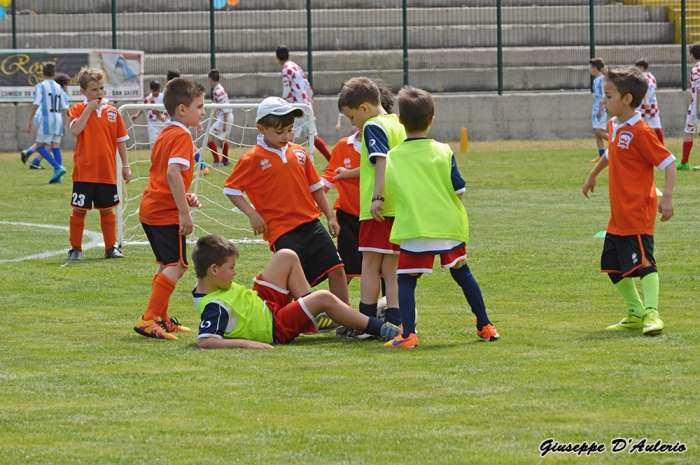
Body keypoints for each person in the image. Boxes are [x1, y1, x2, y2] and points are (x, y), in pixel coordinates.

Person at [383, 86, 499, 348]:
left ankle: (408, 335)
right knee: (462, 273)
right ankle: (486, 326)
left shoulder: (394, 156)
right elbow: (459, 189)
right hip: (448, 226)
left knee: (405, 280)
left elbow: (392, 190)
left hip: (414, 227)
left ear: (400, 120)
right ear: (432, 119)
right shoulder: (444, 151)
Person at [223, 97, 349, 306]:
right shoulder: (252, 158)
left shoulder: (299, 153)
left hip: (311, 224)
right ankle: (285, 322)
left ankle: (347, 322)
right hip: (281, 229)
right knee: (291, 281)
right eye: (279, 132)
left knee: (337, 269)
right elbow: (231, 189)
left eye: (289, 130)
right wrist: (252, 214)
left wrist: (330, 217)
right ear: (261, 128)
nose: (286, 136)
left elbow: (316, 187)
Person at [582, 67, 676, 336]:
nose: (604, 101)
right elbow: (611, 153)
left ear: (627, 100)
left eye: (609, 96)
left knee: (644, 262)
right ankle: (635, 312)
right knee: (612, 265)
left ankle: (652, 312)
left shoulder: (642, 131)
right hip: (618, 213)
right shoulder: (614, 125)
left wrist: (666, 197)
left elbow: (669, 163)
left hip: (638, 210)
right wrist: (593, 174)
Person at [191, 234, 400, 348]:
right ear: (214, 270)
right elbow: (206, 340)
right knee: (324, 297)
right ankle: (382, 329)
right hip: (274, 326)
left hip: (262, 303)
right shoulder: (213, 307)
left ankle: (309, 315)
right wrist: (248, 344)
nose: (235, 273)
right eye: (231, 267)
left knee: (287, 255)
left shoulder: (210, 285)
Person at [133, 78, 205, 340]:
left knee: (166, 264)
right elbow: (173, 172)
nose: (204, 111)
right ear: (183, 109)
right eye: (200, 106)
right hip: (164, 212)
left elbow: (167, 177)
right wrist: (184, 213)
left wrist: (185, 198)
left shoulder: (165, 132)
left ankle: (161, 319)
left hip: (151, 208)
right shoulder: (182, 135)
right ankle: (149, 319)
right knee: (178, 264)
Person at [337, 77, 406, 327]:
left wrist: (377, 198)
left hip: (379, 209)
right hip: (399, 206)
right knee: (391, 268)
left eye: (352, 117)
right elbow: (382, 163)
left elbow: (380, 162)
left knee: (369, 264)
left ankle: (365, 323)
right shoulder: (398, 123)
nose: (353, 124)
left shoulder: (372, 126)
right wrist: (349, 174)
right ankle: (395, 320)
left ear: (364, 109)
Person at [67, 66, 131, 260]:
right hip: (84, 171)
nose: (99, 93)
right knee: (79, 210)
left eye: (101, 88)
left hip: (106, 171)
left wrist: (126, 166)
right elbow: (75, 130)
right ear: (83, 92)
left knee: (107, 210)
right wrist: (88, 110)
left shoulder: (113, 113)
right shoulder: (78, 109)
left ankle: (110, 248)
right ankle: (76, 249)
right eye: (94, 89)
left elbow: (121, 141)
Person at [275, 45, 332, 161]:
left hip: (297, 106)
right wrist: (310, 102)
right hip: (305, 104)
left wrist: (280, 101)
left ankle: (284, 160)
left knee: (294, 134)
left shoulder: (286, 69)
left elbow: (287, 89)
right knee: (300, 135)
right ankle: (285, 160)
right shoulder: (295, 66)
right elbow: (307, 85)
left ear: (277, 57)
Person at [322, 125, 362, 282]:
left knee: (384, 269)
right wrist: (313, 199)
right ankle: (338, 306)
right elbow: (328, 177)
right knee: (347, 269)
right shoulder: (343, 145)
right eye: (350, 117)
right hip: (349, 216)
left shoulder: (385, 143)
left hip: (379, 216)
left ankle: (391, 306)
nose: (353, 121)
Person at [22, 63, 69, 183]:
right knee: (55, 147)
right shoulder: (59, 88)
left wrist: (29, 120)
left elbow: (36, 104)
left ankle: (58, 168)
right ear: (55, 74)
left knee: (39, 146)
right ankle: (58, 178)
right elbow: (64, 107)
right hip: (58, 119)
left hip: (47, 119)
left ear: (42, 74)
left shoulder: (40, 86)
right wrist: (64, 124)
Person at [206, 69, 233, 167]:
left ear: (210, 80)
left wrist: (225, 123)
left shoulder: (217, 91)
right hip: (225, 117)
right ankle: (225, 161)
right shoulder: (220, 88)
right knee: (222, 139)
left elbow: (225, 107)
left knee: (209, 137)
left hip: (224, 118)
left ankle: (217, 162)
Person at [679, 44, 700, 170]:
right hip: (696, 105)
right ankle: (684, 161)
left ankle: (684, 162)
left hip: (695, 106)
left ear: (692, 55)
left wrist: (698, 107)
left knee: (688, 131)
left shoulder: (696, 69)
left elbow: (699, 88)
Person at [634, 58, 664, 144]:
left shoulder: (640, 77)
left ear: (641, 67)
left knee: (638, 125)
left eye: (637, 67)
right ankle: (662, 146)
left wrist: (646, 101)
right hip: (653, 104)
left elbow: (644, 89)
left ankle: (639, 145)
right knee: (656, 126)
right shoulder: (651, 76)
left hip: (643, 105)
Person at [130, 80, 166, 146]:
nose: (156, 92)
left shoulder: (163, 97)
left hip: (162, 121)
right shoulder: (148, 99)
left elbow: (166, 109)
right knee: (153, 142)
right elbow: (142, 109)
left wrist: (165, 117)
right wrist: (136, 115)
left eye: (158, 90)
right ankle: (154, 155)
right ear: (151, 89)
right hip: (152, 123)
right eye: (155, 91)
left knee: (164, 142)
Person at [589, 58, 608, 163]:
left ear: (595, 68)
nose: (589, 69)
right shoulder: (596, 79)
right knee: (596, 132)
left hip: (601, 107)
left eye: (590, 67)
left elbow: (604, 96)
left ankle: (616, 142)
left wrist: (601, 109)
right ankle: (601, 155)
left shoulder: (602, 79)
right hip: (595, 106)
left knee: (599, 131)